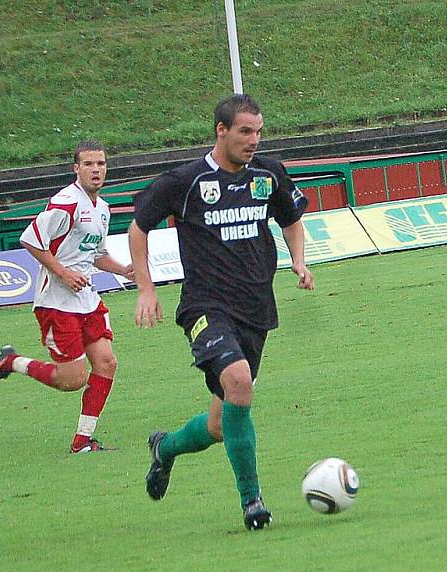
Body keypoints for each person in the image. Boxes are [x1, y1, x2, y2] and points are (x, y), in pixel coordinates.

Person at [128, 94, 314, 530]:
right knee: (239, 382)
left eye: (259, 131)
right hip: (205, 306)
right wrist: (146, 289)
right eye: (245, 131)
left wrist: (299, 260)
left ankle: (166, 448)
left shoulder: (269, 173)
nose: (254, 140)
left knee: (220, 424)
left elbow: (290, 220)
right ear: (222, 130)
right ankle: (253, 502)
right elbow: (138, 229)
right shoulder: (186, 181)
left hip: (255, 308)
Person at [0, 140, 134, 452]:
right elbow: (31, 239)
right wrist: (63, 273)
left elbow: (93, 254)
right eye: (89, 164)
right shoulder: (65, 203)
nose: (96, 170)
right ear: (76, 169)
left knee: (106, 363)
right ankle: (11, 362)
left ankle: (82, 442)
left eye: (101, 164)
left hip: (86, 299)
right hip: (57, 302)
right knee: (72, 379)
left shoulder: (101, 209)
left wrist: (124, 270)